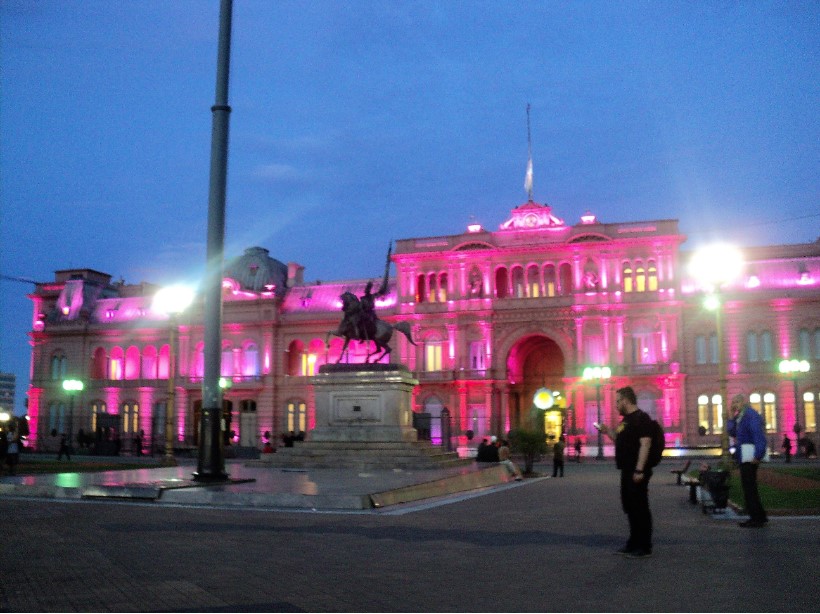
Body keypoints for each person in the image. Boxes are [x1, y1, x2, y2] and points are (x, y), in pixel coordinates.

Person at [597, 386, 654, 559]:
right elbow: (620, 441)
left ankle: (644, 546)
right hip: (626, 469)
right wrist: (607, 432)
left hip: (637, 470)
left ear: (626, 400)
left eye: (617, 401)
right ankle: (633, 541)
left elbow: (646, 444)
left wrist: (639, 469)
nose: (616, 405)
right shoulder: (626, 421)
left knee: (640, 507)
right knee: (629, 506)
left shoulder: (641, 419)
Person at [727, 393, 768, 528]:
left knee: (749, 488)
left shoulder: (750, 415)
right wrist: (731, 416)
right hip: (744, 456)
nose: (735, 404)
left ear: (744, 402)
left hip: (750, 458)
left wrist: (758, 455)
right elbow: (731, 432)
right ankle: (760, 516)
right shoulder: (740, 417)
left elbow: (758, 435)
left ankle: (755, 518)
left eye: (737, 401)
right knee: (749, 487)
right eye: (733, 402)